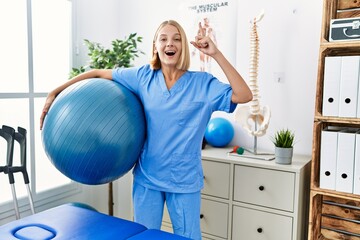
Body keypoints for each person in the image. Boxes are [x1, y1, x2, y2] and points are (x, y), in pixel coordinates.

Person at [40, 20, 252, 240]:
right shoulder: (143, 77)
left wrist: (216, 54)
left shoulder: (203, 84)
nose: (170, 43)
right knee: (143, 237)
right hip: (147, 179)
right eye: (163, 38)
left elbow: (244, 95)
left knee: (188, 237)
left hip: (183, 181)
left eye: (177, 39)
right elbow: (97, 74)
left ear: (183, 47)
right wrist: (55, 91)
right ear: (155, 47)